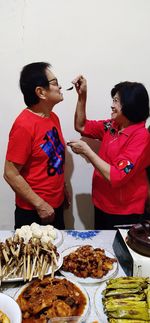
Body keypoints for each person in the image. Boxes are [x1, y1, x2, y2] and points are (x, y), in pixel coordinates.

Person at [67, 75, 150, 229]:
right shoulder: (113, 125)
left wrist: (88, 152)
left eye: (116, 101)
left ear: (130, 104)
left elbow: (117, 177)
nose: (112, 105)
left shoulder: (141, 136)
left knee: (119, 252)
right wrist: (82, 96)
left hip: (124, 211)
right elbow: (81, 126)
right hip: (101, 203)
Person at [4, 62, 70, 229]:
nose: (60, 86)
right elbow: (10, 174)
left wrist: (63, 188)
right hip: (33, 211)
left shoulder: (53, 117)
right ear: (40, 92)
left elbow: (53, 158)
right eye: (54, 83)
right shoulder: (24, 125)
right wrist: (40, 204)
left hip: (56, 205)